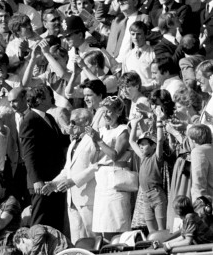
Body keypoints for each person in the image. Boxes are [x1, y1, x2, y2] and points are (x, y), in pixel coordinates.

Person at [42, 108, 98, 243]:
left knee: (94, 239)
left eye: (73, 122)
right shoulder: (73, 143)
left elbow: (95, 167)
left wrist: (73, 181)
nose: (70, 126)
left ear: (85, 122)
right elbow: (67, 170)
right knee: (77, 241)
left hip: (88, 199)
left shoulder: (93, 141)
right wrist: (54, 183)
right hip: (72, 200)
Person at [19, 85, 69, 234]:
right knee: (40, 222)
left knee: (55, 222)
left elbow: (60, 142)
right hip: (41, 182)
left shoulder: (49, 117)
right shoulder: (29, 120)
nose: (52, 98)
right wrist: (36, 180)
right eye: (48, 95)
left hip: (54, 180)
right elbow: (29, 153)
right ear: (40, 99)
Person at [86, 97, 132, 240]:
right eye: (103, 111)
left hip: (116, 180)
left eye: (109, 112)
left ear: (118, 112)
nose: (105, 115)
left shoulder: (123, 130)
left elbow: (115, 155)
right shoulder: (102, 131)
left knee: (116, 223)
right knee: (102, 225)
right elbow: (93, 159)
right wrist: (94, 142)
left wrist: (98, 140)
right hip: (102, 181)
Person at [129, 117, 167, 233]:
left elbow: (160, 140)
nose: (140, 146)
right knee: (151, 229)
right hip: (146, 196)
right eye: (140, 144)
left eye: (144, 144)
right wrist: (135, 124)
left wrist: (159, 120)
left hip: (156, 194)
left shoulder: (156, 158)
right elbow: (131, 141)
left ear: (153, 146)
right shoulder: (143, 157)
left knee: (161, 229)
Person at [189, 124, 213, 200]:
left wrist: (200, 205)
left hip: (208, 203)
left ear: (193, 140)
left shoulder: (198, 152)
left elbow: (198, 182)